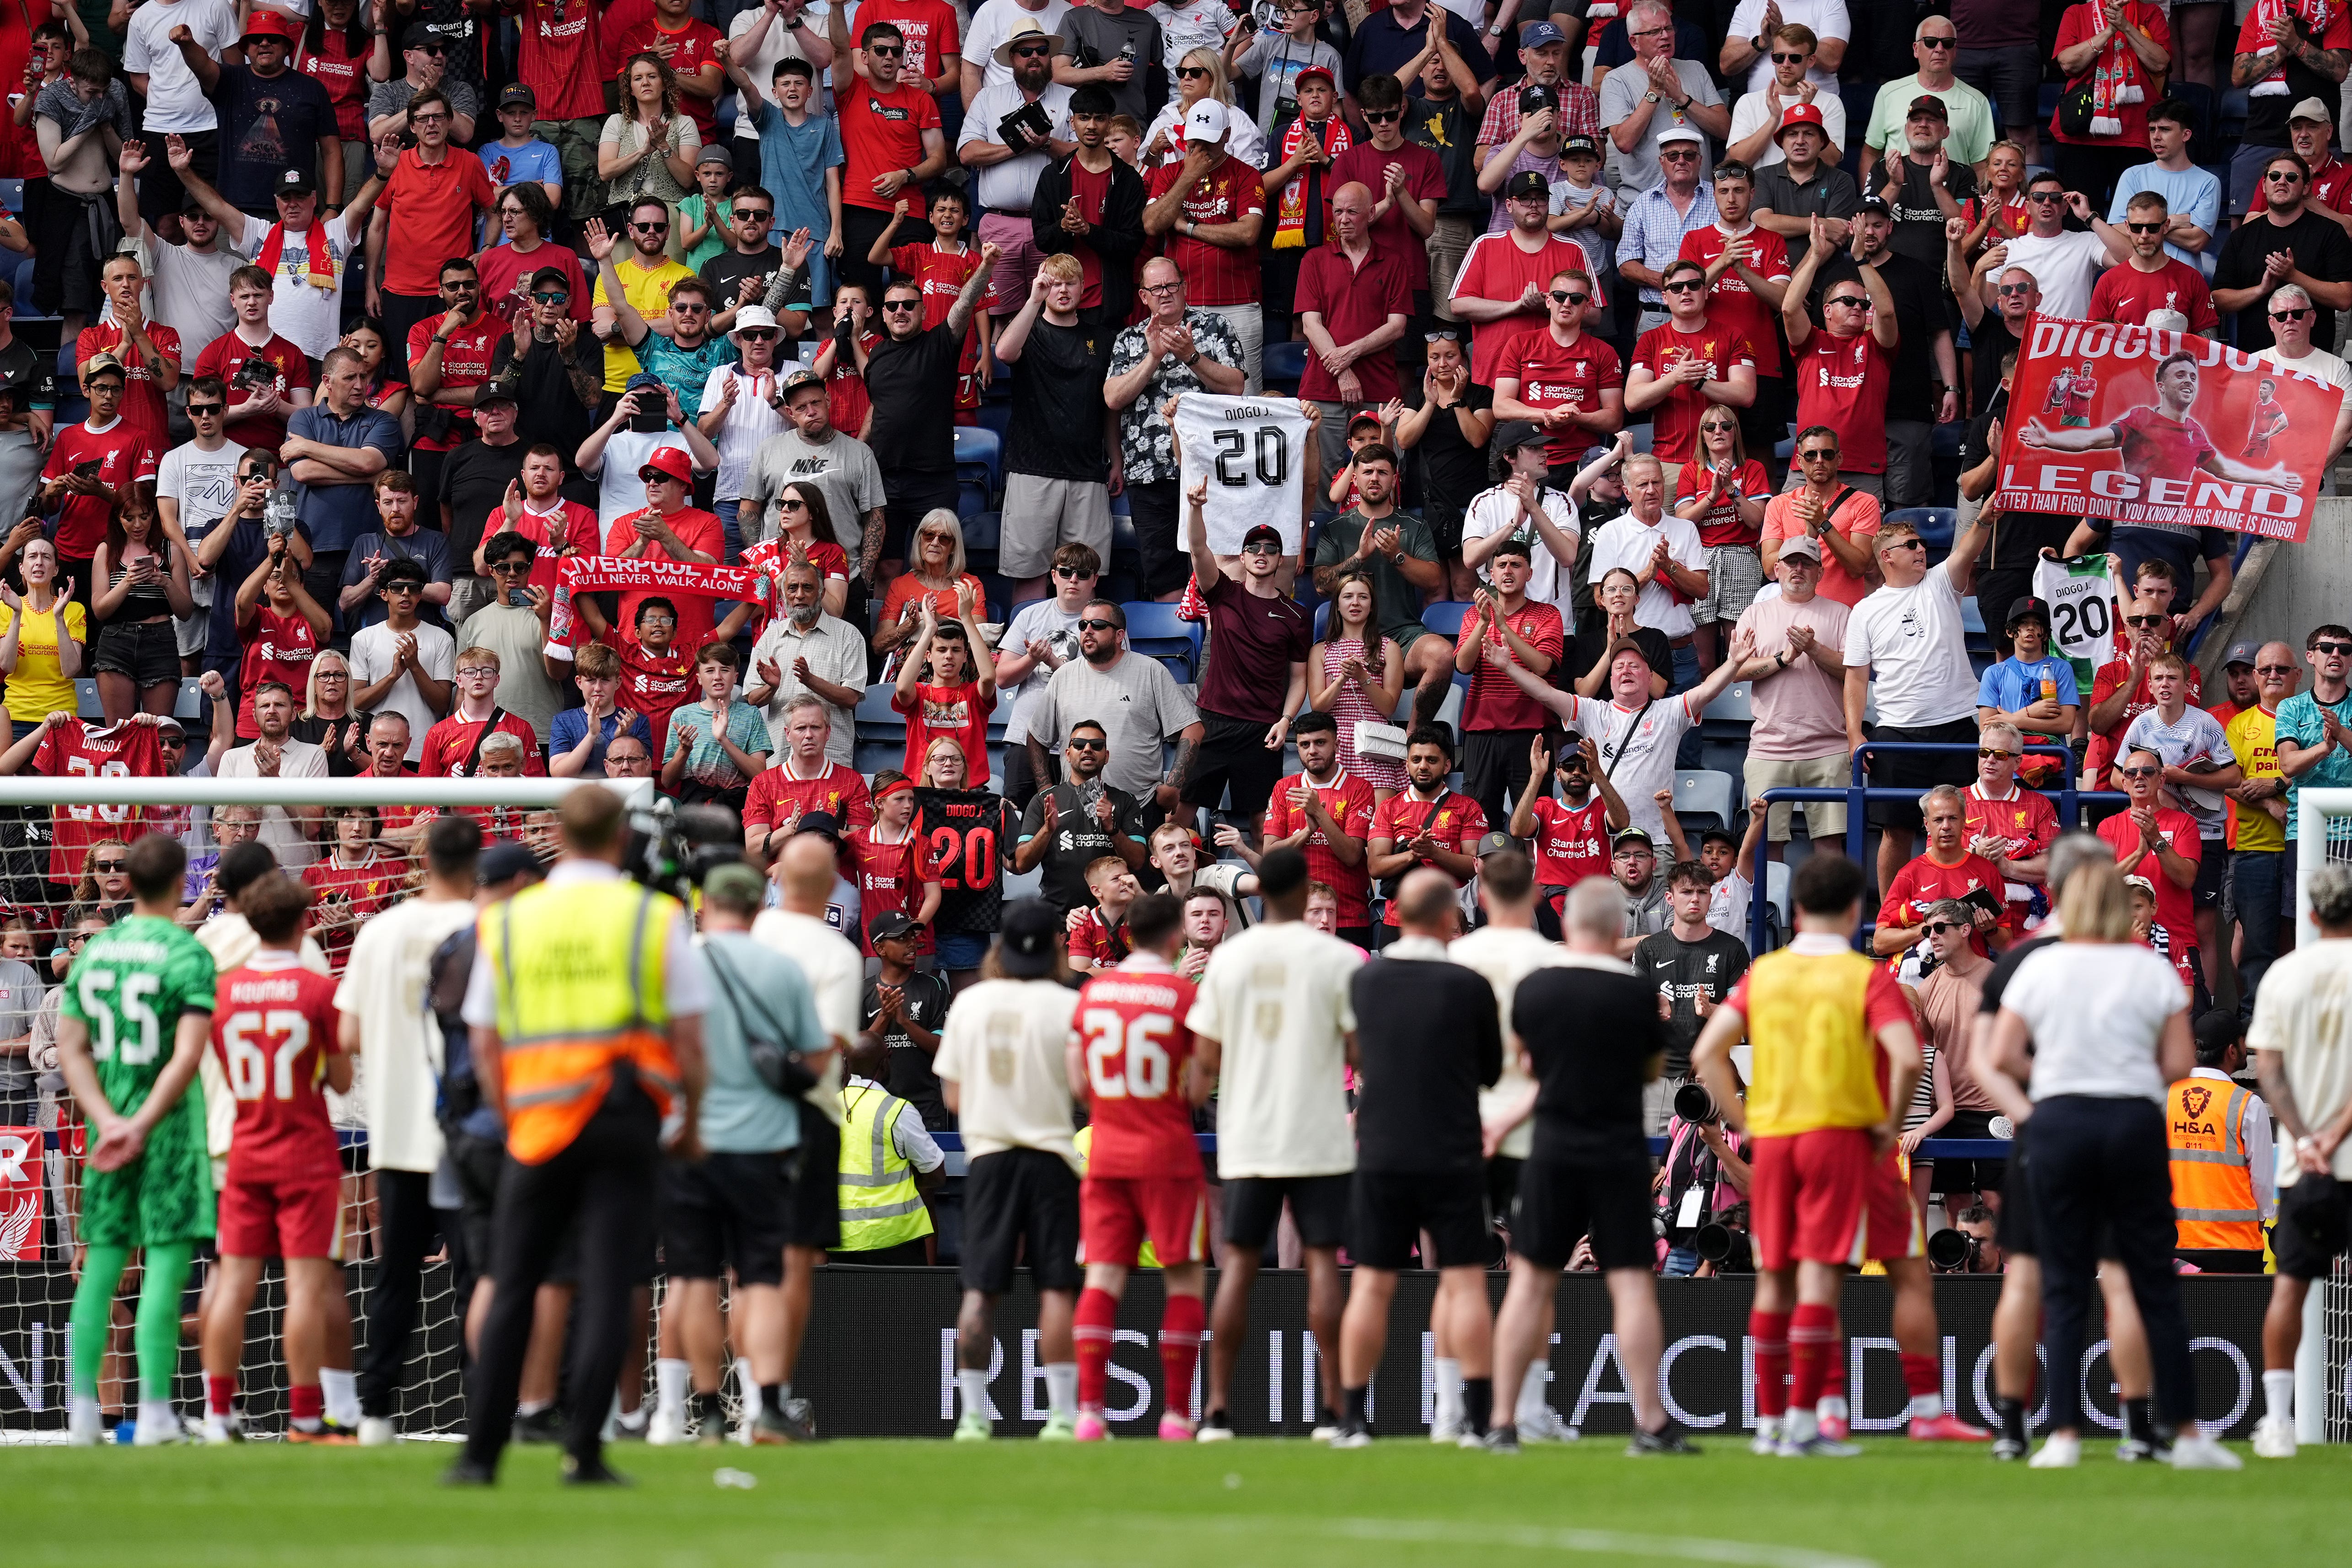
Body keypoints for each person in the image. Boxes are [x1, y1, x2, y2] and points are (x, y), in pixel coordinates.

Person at [448, 786, 707, 1487]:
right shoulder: (652, 917)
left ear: (559, 836)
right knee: (608, 1283)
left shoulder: (508, 920)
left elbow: (482, 1038)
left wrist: (510, 1117)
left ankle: (480, 1456)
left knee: (511, 1285)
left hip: (536, 1124)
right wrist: (687, 1120)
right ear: (621, 840)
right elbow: (689, 1035)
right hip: (624, 1118)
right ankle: (584, 1452)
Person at [1690, 851, 1985, 1456]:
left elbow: (1707, 1053)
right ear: (1855, 911)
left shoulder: (1764, 974)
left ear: (1795, 909)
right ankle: (1893, 1412)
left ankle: (1780, 1419)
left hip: (1779, 1143)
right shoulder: (1864, 977)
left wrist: (1744, 1119)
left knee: (1779, 1279)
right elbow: (1907, 1057)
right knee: (1891, 1271)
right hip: (1847, 1141)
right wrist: (1887, 1123)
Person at [1984, 856, 2238, 1469]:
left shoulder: (2039, 970)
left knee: (2063, 1283)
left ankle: (2063, 1436)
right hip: (2130, 1122)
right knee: (2148, 1281)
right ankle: (2184, 1434)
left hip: (2059, 1122)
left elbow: (1998, 1055)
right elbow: (2179, 1065)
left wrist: (2046, 1090)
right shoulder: (2149, 971)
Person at [1485, 873, 1692, 1453]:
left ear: (1569, 923)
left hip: (1551, 1148)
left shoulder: (1535, 990)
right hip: (1618, 1151)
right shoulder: (1636, 995)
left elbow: (1527, 1064)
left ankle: (1502, 1421)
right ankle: (1650, 1423)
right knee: (1630, 1286)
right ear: (1614, 928)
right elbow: (1653, 1072)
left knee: (1528, 1283)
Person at [1189, 846, 1363, 1440]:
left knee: (1236, 1268)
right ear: (1305, 892)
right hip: (1317, 1134)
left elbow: (1201, 1068)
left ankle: (1215, 1411)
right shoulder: (1337, 959)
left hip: (1249, 1135)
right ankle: (1334, 1410)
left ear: (1261, 890)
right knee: (1321, 1269)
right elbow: (1358, 1055)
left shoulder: (1230, 962)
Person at [1326, 869, 1500, 1448]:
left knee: (1372, 1285)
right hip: (1452, 1150)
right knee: (1466, 1284)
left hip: (1381, 1149)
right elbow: (1492, 1070)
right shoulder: (1469, 985)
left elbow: (1351, 1052)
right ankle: (1476, 1422)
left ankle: (1351, 1418)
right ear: (1451, 917)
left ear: (1397, 911)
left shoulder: (1364, 980)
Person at [54, 834, 215, 1445]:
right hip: (167, 1131)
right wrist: (143, 1124)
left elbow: (71, 1048)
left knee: (101, 1270)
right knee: (167, 1267)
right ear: (180, 883)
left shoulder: (94, 952)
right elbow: (187, 1054)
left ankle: (82, 1418)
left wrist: (110, 1120)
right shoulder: (186, 951)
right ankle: (152, 1416)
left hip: (106, 1131)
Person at [659, 859, 824, 1444]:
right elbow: (817, 1058)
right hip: (764, 1142)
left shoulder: (677, 965)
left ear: (706, 905)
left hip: (689, 1140)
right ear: (759, 907)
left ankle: (705, 1411)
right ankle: (769, 1403)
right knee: (761, 1278)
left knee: (697, 1278)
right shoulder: (783, 970)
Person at [334, 814, 478, 1444]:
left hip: (396, 1132)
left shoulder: (380, 932)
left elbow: (345, 1036)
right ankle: (487, 1408)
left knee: (395, 1280)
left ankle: (374, 1414)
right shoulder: (488, 931)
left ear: (422, 858)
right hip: (471, 1132)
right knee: (477, 1276)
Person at [195, 871, 350, 1444]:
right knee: (305, 1287)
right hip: (304, 1151)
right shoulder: (318, 990)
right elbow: (339, 1078)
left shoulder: (224, 994)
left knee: (233, 1280)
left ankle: (216, 1415)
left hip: (245, 1146)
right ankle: (307, 1417)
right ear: (303, 921)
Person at [933, 899, 1084, 1440]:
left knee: (979, 1289)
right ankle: (1063, 1415)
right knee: (1057, 1289)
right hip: (1051, 1158)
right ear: (1054, 947)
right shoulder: (1069, 1005)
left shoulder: (969, 1004)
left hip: (990, 1159)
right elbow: (1084, 1087)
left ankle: (973, 1416)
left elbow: (952, 1093)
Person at [1063, 890, 1210, 1440]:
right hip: (1168, 1151)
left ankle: (1091, 1412)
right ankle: (1174, 1414)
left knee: (1102, 1276)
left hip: (1108, 1149)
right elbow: (1199, 1087)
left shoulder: (1096, 992)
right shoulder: (1182, 994)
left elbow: (1078, 1081)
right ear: (1175, 936)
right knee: (1184, 1280)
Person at [2246, 862, 2352, 1456]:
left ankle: (2278, 1423)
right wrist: (2335, 1135)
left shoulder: (2282, 977)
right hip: (2339, 1155)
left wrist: (2307, 1138)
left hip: (2303, 1166)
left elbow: (2268, 1071)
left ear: (2310, 914)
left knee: (2289, 1286)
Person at [1843, 516, 1990, 898]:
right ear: (1887, 557)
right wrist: (1855, 732)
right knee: (1897, 831)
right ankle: (1891, 919)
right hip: (1897, 732)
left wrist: (1986, 519)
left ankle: (1963, 909)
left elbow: (1969, 548)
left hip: (1957, 725)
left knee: (1965, 826)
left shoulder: (1941, 582)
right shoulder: (1865, 611)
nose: (1922, 549)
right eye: (1911, 545)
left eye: (1922, 543)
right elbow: (1856, 678)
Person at [2118, 652, 2239, 1006]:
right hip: (2159, 829)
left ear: (2187, 685)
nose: (2165, 685)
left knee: (2203, 928)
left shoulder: (2205, 724)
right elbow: (2116, 774)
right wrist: (2158, 794)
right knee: (2152, 917)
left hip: (2205, 832)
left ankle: (2208, 1004)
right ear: (2150, 685)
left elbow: (2234, 776)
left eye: (2173, 679)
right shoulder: (2141, 725)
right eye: (2158, 679)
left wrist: (2183, 777)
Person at [865, 253, 999, 562]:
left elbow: (964, 305)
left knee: (937, 564)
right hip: (885, 479)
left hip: (933, 480)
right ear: (883, 314)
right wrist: (859, 447)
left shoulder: (940, 343)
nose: (901, 311)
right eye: (893, 306)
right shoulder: (877, 355)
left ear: (923, 311)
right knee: (886, 567)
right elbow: (878, 407)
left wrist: (985, 268)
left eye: (909, 305)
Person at [1026, 598, 1204, 812]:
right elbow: (1036, 735)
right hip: (1078, 808)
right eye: (1083, 625)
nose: (1088, 631)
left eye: (1098, 625)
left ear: (1120, 635)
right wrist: (1046, 789)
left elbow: (1193, 728)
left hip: (1140, 805)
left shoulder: (1150, 671)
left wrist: (1173, 786)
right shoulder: (1063, 675)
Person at [1633, 854, 1750, 1129]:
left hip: (1714, 1077)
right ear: (1670, 898)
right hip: (1660, 1078)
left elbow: (1746, 1020)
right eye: (1686, 892)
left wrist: (1712, 1011)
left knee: (1711, 1166)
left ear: (1711, 897)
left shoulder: (1732, 950)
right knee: (1655, 1167)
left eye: (1702, 892)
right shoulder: (1650, 949)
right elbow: (1633, 1017)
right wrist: (1651, 1006)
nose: (1695, 899)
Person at [284, 344, 402, 616]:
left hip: (371, 549)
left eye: (363, 377)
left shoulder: (383, 421)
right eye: (350, 378)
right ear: (327, 382)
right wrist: (368, 478)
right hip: (313, 548)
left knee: (367, 636)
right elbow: (304, 473)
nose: (360, 385)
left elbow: (369, 462)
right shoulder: (303, 418)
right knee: (315, 632)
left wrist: (308, 448)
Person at [2213, 151, 2352, 354]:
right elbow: (2217, 300)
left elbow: (2344, 299)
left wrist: (2293, 276)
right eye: (2275, 176)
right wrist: (2260, 290)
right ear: (2264, 186)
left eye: (2292, 177)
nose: (2282, 182)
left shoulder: (2330, 232)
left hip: (2314, 365)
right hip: (2256, 363)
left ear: (2306, 188)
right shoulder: (2242, 236)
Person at [1597, 1, 1729, 196]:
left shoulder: (1696, 69)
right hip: (1645, 200)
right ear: (1635, 42)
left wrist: (1682, 98)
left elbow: (1725, 129)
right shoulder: (1616, 80)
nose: (1665, 36)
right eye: (1654, 32)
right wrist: (1654, 92)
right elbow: (1624, 142)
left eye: (1668, 28)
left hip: (1702, 199)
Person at [348, 556, 456, 762]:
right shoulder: (364, 638)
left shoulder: (441, 638)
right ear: (384, 594)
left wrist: (415, 666)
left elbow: (442, 704)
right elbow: (356, 701)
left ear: (420, 595)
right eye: (397, 588)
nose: (406, 593)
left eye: (413, 588)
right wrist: (393, 676)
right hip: (377, 749)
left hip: (424, 746)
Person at [2089, 193, 2218, 333]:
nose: (2144, 235)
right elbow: (2095, 341)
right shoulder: (2109, 282)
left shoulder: (2191, 279)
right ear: (2127, 227)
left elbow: (2209, 347)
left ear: (2166, 226)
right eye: (2137, 228)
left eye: (2153, 228)